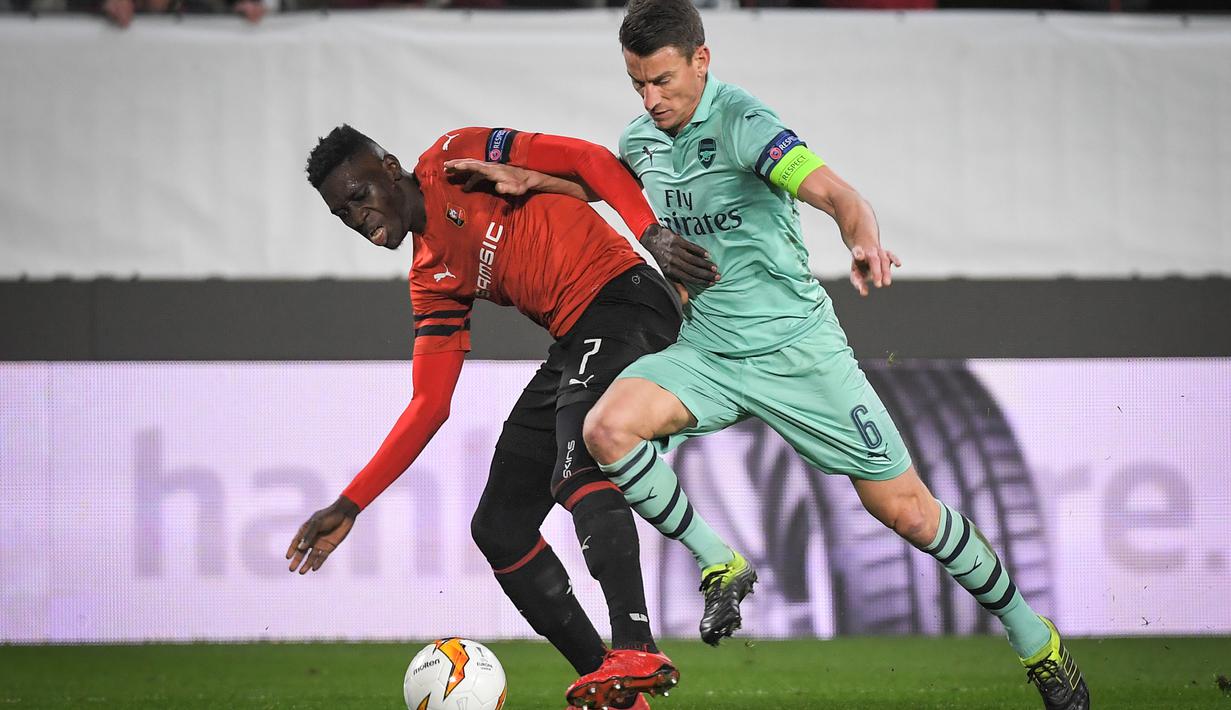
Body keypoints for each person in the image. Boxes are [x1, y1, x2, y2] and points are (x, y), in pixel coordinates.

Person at [445, 2, 1089, 708]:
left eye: (663, 81)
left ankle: (1035, 641)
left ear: (701, 59)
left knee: (906, 513)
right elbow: (608, 184)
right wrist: (534, 180)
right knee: (605, 428)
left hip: (797, 353)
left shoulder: (744, 123)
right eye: (638, 85)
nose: (652, 100)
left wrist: (861, 239)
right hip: (709, 353)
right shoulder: (643, 138)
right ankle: (721, 561)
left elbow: (837, 194)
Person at [286, 124, 703, 709]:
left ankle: (637, 644)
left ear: (390, 163)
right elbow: (429, 405)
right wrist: (351, 502)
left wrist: (650, 234)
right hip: (576, 340)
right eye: (342, 213)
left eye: (359, 195)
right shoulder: (431, 279)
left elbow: (587, 160)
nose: (358, 216)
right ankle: (618, 692)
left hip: (625, 300)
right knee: (499, 527)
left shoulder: (458, 157)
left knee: (575, 459)